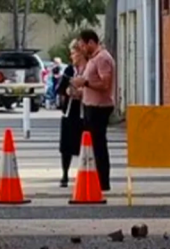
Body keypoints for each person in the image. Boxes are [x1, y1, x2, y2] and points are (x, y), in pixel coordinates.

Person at [72, 29, 116, 192]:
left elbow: (105, 84)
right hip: (90, 105)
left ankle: (103, 181)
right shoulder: (93, 59)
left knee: (99, 144)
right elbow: (91, 83)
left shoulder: (103, 58)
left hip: (100, 107)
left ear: (91, 42)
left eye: (83, 45)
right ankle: (96, 177)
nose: (82, 49)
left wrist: (86, 83)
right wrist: (80, 91)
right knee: (92, 144)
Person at [56, 42, 85, 188]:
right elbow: (60, 88)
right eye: (72, 53)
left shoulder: (88, 68)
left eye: (75, 53)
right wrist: (67, 91)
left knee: (85, 145)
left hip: (85, 111)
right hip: (70, 111)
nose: (72, 56)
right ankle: (65, 174)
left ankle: (86, 174)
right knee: (66, 146)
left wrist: (83, 93)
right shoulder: (69, 69)